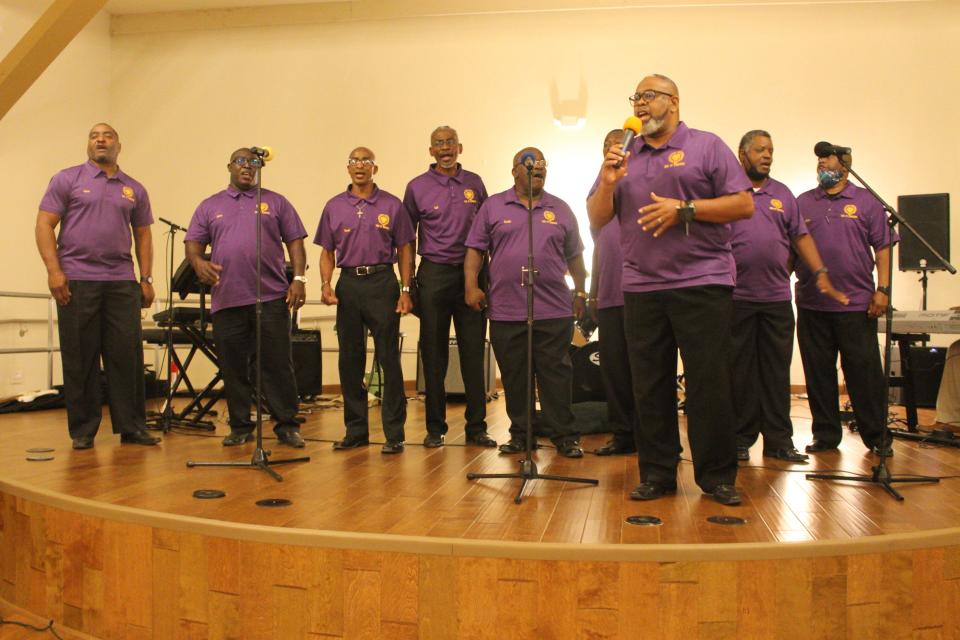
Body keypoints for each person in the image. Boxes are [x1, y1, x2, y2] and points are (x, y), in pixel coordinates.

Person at [587, 74, 753, 505]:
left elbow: (743, 203)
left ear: (673, 101)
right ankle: (658, 473)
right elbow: (597, 218)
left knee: (708, 383)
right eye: (635, 98)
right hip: (641, 286)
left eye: (648, 96)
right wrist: (607, 182)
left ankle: (716, 477)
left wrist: (686, 209)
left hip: (702, 282)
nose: (640, 105)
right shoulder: (625, 154)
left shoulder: (706, 146)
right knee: (649, 385)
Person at [35, 123, 160, 450]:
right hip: (76, 280)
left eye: (107, 136)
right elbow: (45, 224)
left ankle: (132, 427)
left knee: (127, 357)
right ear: (88, 144)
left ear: (119, 144)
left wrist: (145, 278)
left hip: (121, 282)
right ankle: (83, 430)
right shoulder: (67, 179)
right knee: (80, 356)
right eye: (94, 135)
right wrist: (54, 271)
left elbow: (144, 234)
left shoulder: (134, 189)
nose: (101, 139)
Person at [731, 130, 849, 463]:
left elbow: (800, 238)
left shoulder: (782, 194)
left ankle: (779, 441)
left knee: (776, 371)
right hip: (735, 298)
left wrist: (821, 272)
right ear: (742, 154)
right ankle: (740, 439)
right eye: (759, 150)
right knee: (738, 372)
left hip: (775, 299)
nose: (766, 155)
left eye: (770, 150)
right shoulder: (727, 191)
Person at [464, 147, 587, 458]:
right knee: (515, 374)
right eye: (530, 164)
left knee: (555, 374)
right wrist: (471, 287)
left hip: (553, 308)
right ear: (515, 170)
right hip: (506, 308)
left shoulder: (560, 208)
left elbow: (575, 256)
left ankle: (564, 435)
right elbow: (476, 251)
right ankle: (521, 433)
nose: (538, 169)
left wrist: (582, 292)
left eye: (543, 165)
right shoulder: (493, 206)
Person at [184, 147, 308, 448]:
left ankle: (287, 425)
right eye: (241, 162)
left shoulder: (276, 202)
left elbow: (295, 242)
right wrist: (198, 263)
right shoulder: (210, 206)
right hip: (227, 298)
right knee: (233, 366)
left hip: (270, 297)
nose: (248, 167)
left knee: (278, 364)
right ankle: (240, 425)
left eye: (254, 163)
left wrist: (300, 279)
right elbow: (193, 244)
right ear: (229, 166)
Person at [795, 145, 896, 456]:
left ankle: (877, 437)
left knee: (864, 374)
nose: (821, 161)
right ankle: (825, 436)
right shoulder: (803, 202)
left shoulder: (866, 202)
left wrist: (884, 289)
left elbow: (882, 248)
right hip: (812, 304)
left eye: (828, 157)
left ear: (846, 165)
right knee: (818, 374)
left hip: (856, 305)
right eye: (819, 158)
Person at [315, 147, 414, 454]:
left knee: (388, 359)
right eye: (355, 161)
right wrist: (326, 284)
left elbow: (405, 249)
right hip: (349, 285)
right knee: (350, 360)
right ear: (348, 169)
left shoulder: (392, 204)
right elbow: (327, 251)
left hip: (382, 282)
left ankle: (394, 433)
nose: (360, 166)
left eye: (366, 161)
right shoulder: (334, 206)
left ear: (375, 168)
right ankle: (355, 430)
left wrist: (406, 289)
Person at [403, 126, 496, 448]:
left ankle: (477, 428)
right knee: (433, 354)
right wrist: (408, 284)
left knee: (473, 352)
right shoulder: (416, 187)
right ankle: (434, 428)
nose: (445, 148)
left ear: (460, 147)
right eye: (439, 144)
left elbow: (487, 230)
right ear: (431, 151)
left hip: (472, 276)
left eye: (450, 143)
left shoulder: (475, 183)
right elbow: (406, 236)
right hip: (434, 275)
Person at [587, 128, 638, 456]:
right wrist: (592, 293)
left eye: (617, 145)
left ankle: (654, 437)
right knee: (615, 370)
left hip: (642, 292)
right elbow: (598, 247)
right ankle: (623, 435)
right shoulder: (600, 185)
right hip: (608, 294)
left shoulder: (641, 179)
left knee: (647, 370)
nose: (611, 150)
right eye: (606, 145)